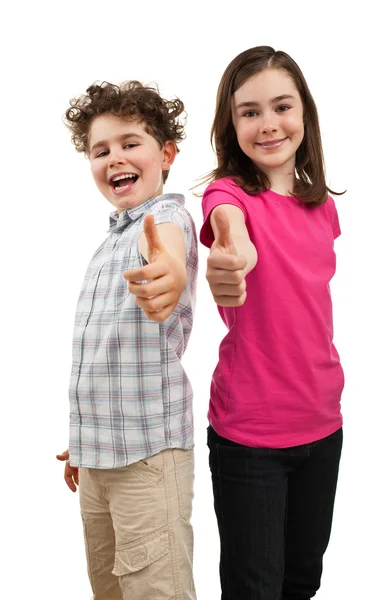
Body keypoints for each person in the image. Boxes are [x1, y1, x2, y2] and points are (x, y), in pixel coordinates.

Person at [199, 46, 345, 600]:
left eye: (281, 106)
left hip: (323, 421)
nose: (268, 125)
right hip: (250, 437)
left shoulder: (323, 208)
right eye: (249, 112)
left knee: (302, 579)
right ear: (231, 123)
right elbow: (224, 220)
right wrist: (233, 249)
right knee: (254, 588)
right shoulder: (231, 196)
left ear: (303, 113)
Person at [56, 80, 197, 600]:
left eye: (130, 143)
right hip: (97, 460)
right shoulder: (107, 242)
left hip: (146, 458)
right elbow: (103, 354)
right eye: (101, 149)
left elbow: (166, 252)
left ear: (165, 154)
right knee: (110, 588)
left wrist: (169, 273)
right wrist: (82, 438)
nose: (115, 157)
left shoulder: (164, 219)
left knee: (156, 589)